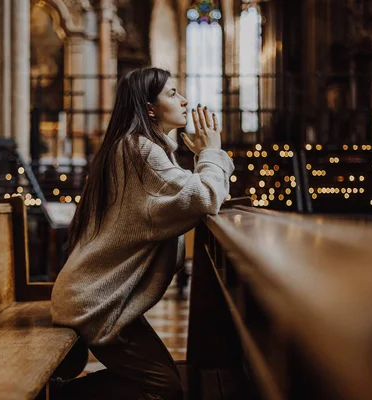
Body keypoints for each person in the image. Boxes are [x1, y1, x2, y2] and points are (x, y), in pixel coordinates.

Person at [50, 67, 234, 399]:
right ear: (150, 108)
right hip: (98, 303)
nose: (184, 100)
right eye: (172, 93)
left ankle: (59, 393)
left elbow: (189, 195)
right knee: (164, 389)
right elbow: (204, 196)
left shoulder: (140, 148)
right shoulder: (141, 151)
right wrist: (211, 152)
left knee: (164, 384)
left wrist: (200, 162)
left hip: (102, 298)